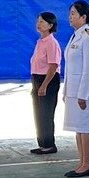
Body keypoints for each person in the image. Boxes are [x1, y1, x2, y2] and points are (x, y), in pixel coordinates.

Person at [61, 0, 89, 177]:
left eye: (73, 14)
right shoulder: (76, 35)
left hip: (85, 92)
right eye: (70, 13)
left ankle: (88, 164)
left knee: (86, 127)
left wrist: (82, 94)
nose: (70, 17)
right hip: (74, 90)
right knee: (78, 127)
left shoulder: (88, 37)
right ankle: (81, 162)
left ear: (83, 17)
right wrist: (67, 91)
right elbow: (70, 68)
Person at [29, 11, 61, 155]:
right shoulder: (40, 41)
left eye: (42, 21)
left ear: (50, 25)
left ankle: (49, 144)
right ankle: (42, 143)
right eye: (38, 21)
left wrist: (44, 85)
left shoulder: (52, 43)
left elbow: (53, 66)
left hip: (47, 80)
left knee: (46, 113)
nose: (39, 23)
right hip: (37, 78)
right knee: (39, 113)